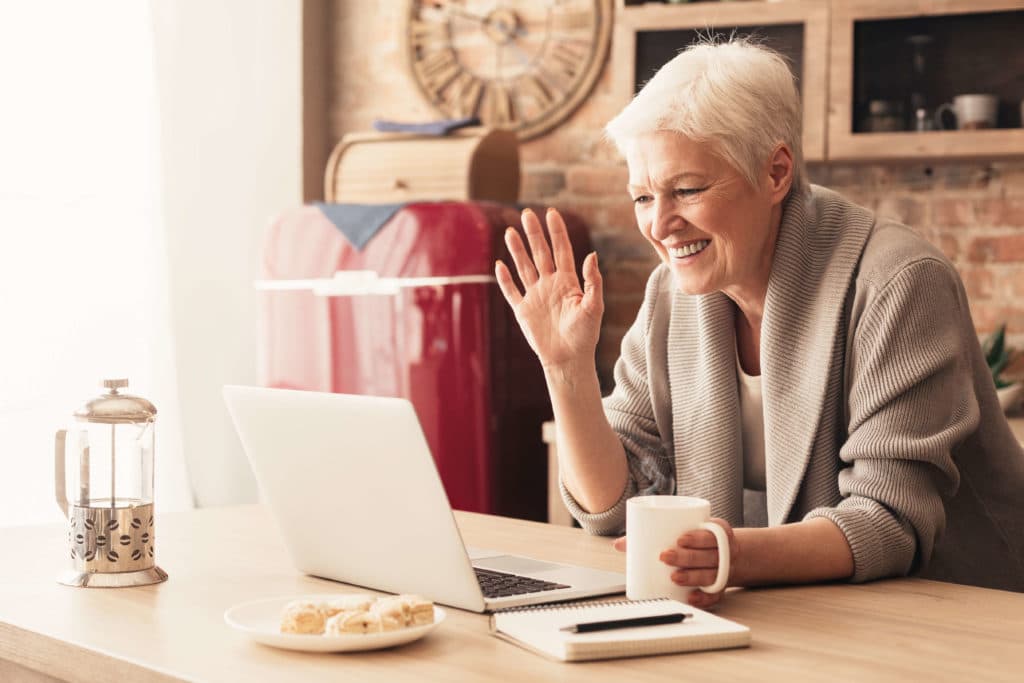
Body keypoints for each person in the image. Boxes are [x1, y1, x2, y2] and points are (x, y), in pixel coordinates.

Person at [494, 37, 1024, 607]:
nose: (660, 225)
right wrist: (565, 368)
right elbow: (619, 506)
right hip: (801, 611)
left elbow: (888, 519)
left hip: (966, 613)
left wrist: (727, 557)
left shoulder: (899, 283)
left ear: (775, 173)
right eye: (643, 197)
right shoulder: (671, 295)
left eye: (688, 189)